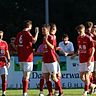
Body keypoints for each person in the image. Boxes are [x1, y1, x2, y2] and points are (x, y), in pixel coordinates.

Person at [14, 20, 39, 96]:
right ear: (29, 26)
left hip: (21, 57)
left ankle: (24, 92)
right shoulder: (27, 33)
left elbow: (15, 45)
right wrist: (37, 33)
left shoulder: (19, 34)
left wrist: (20, 50)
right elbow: (34, 41)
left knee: (24, 75)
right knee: (26, 76)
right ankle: (25, 93)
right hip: (28, 57)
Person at [40, 24, 63, 96]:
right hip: (45, 60)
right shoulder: (45, 37)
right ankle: (50, 93)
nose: (43, 31)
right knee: (46, 78)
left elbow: (53, 47)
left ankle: (61, 92)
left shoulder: (51, 37)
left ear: (48, 30)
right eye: (42, 29)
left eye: (44, 29)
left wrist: (46, 41)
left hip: (51, 60)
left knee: (54, 77)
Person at [75, 24, 96, 96]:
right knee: (81, 77)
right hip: (82, 60)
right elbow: (80, 49)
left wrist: (90, 59)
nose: (79, 33)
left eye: (80, 31)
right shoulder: (78, 38)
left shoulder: (88, 38)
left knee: (87, 76)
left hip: (89, 60)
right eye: (78, 31)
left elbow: (93, 49)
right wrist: (76, 54)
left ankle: (85, 91)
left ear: (83, 30)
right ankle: (92, 85)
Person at [0, 31, 10, 96]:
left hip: (3, 63)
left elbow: (7, 52)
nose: (0, 36)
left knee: (4, 78)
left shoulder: (4, 43)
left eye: (1, 35)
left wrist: (8, 61)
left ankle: (4, 93)